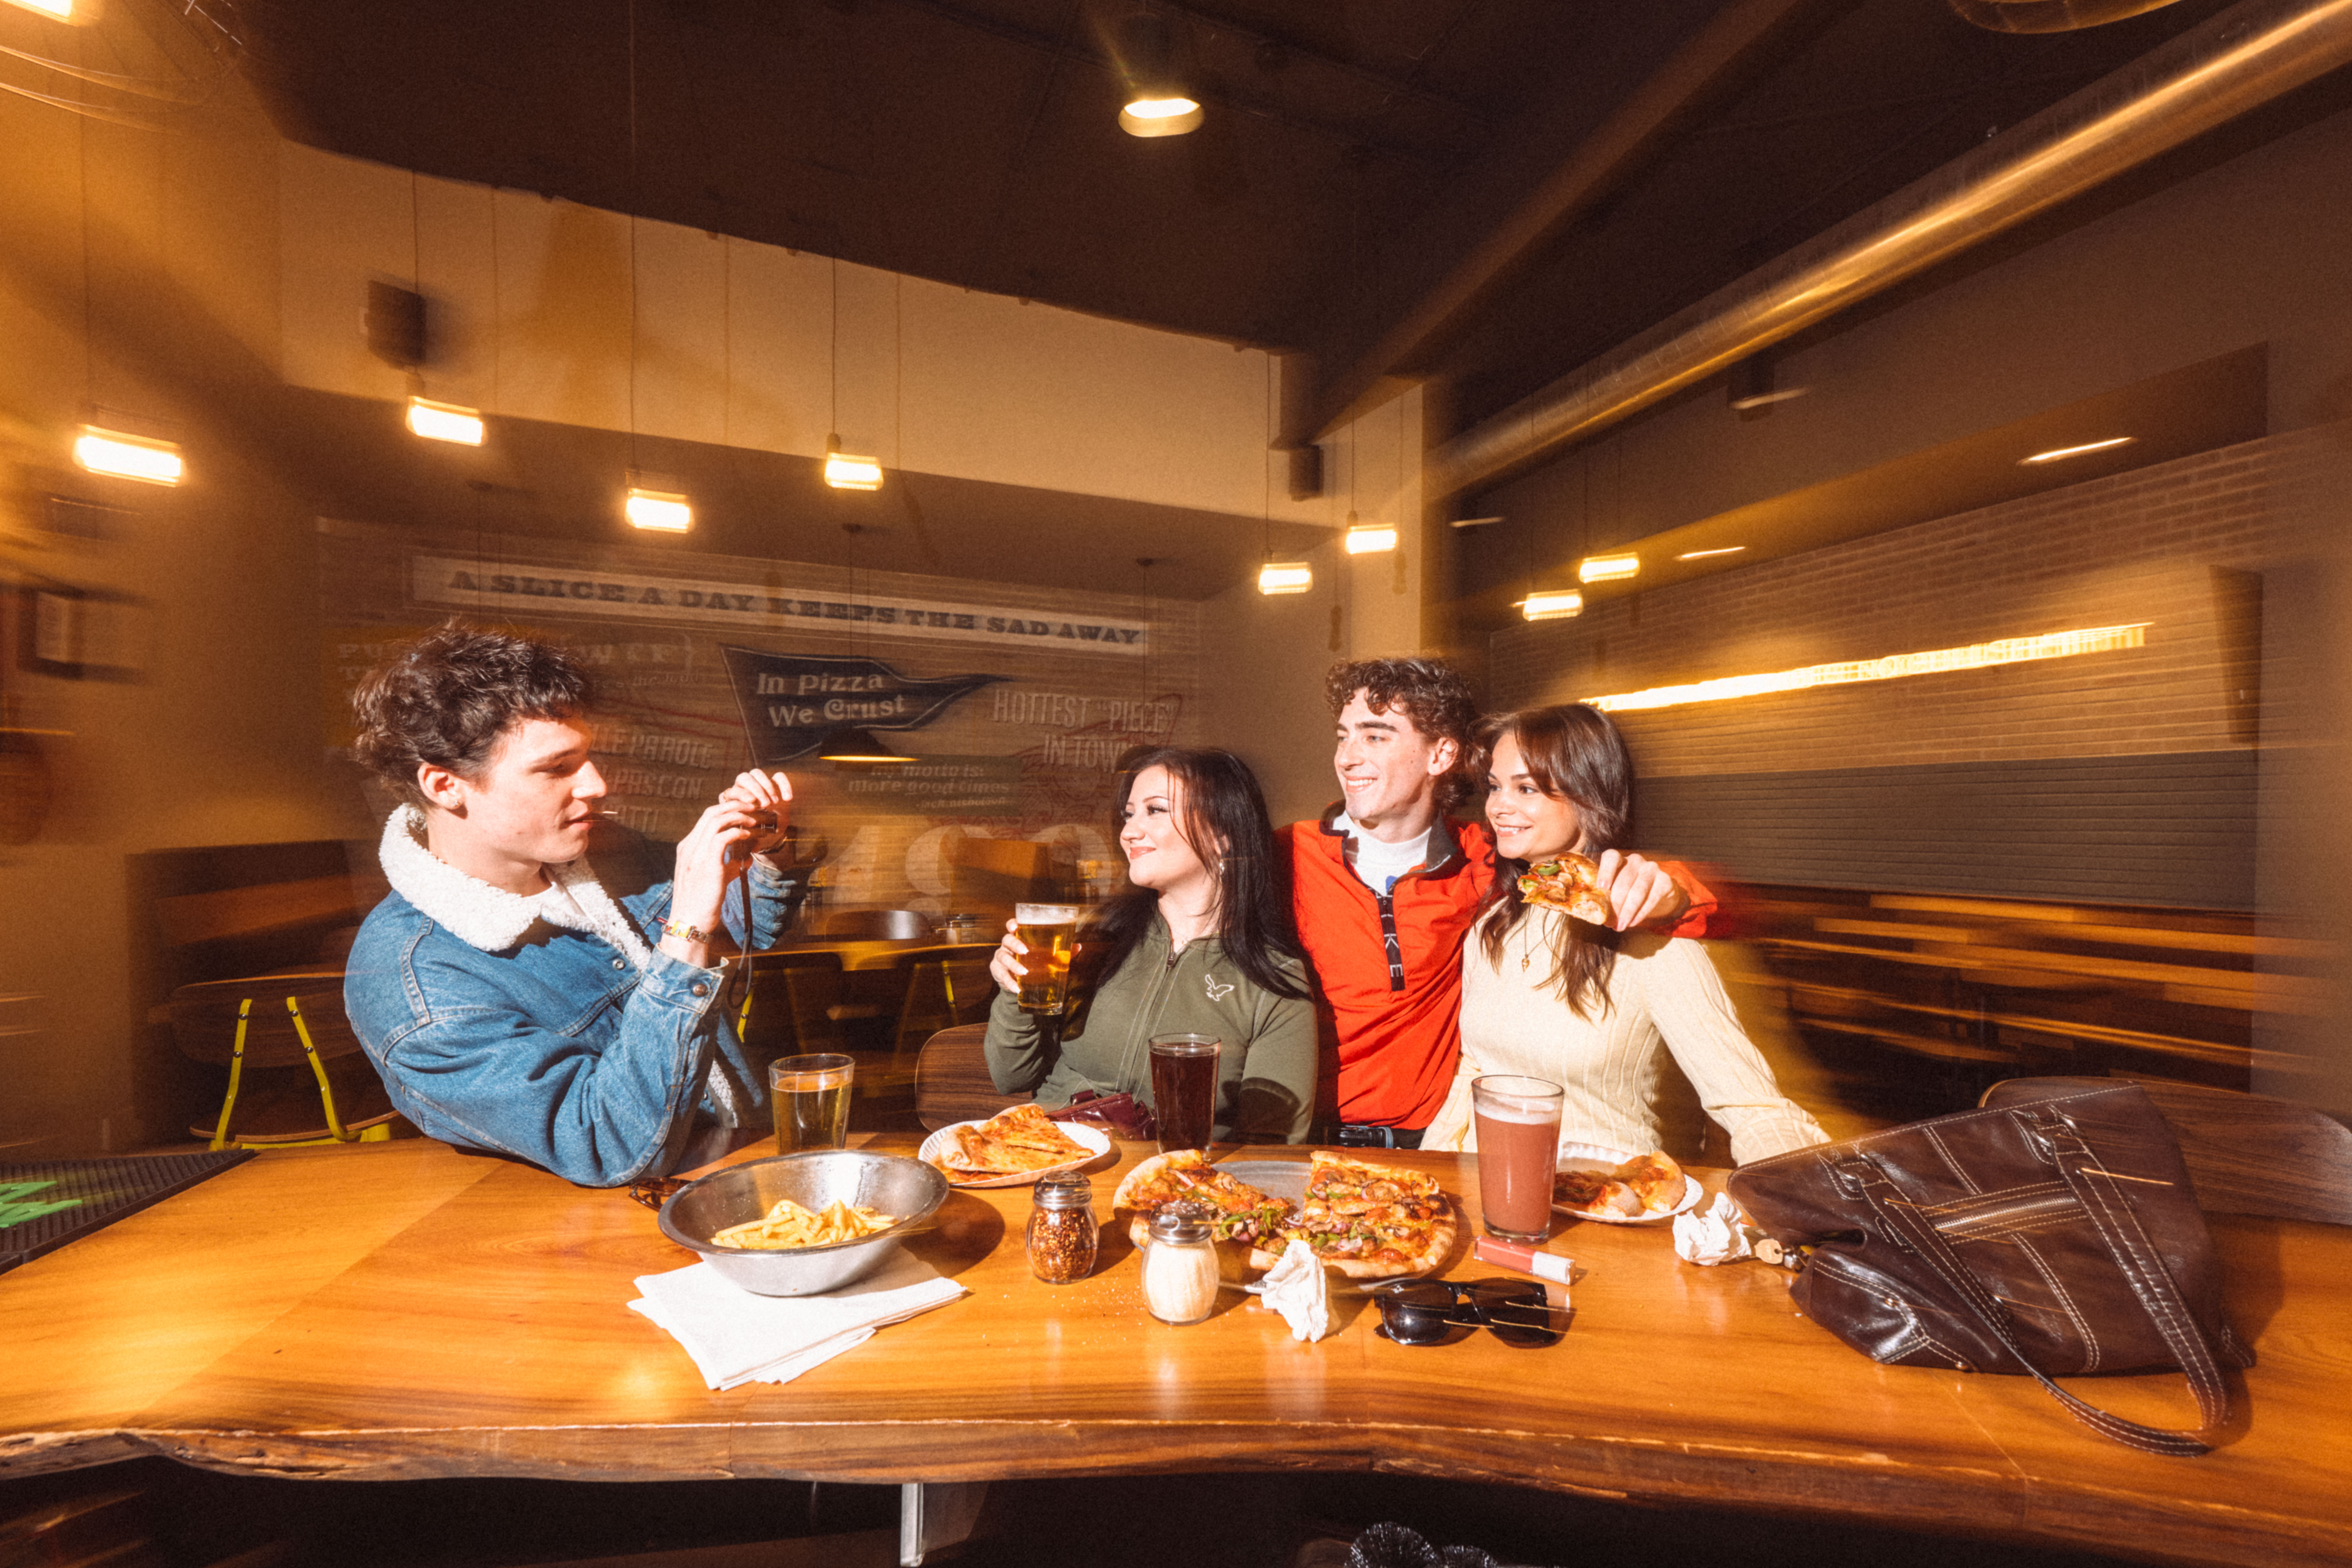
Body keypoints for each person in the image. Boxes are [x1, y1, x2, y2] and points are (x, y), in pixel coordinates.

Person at [342, 626, 804, 1187]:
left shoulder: (608, 853)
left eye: (588, 759)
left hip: (735, 1177)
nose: (597, 785)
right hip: (593, 1242)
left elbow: (735, 922)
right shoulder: (419, 982)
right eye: (556, 768)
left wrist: (768, 850)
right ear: (445, 785)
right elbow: (611, 1144)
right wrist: (684, 932)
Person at [1283, 657, 1714, 1149]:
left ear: (1441, 753)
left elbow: (1604, 870)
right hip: (1304, 1136)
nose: (1346, 757)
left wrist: (1676, 892)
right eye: (1343, 736)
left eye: (1374, 736)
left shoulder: (1487, 857)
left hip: (1431, 1140)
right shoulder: (1284, 855)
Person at [1421, 704, 1827, 1163]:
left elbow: (1752, 1106)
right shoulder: (1493, 924)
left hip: (1601, 1209)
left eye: (1527, 788)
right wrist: (1431, 1175)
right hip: (1485, 1197)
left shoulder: (1653, 939)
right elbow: (1476, 1069)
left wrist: (1809, 1202)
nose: (1499, 807)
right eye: (1495, 787)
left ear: (1588, 795)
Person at [985, 747, 1316, 1143]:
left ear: (1221, 835)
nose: (1129, 832)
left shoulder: (1273, 981)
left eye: (1154, 810)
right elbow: (1009, 1076)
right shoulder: (1096, 939)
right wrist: (1013, 989)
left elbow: (1273, 1148)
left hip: (1167, 1184)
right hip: (1047, 1155)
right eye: (1129, 814)